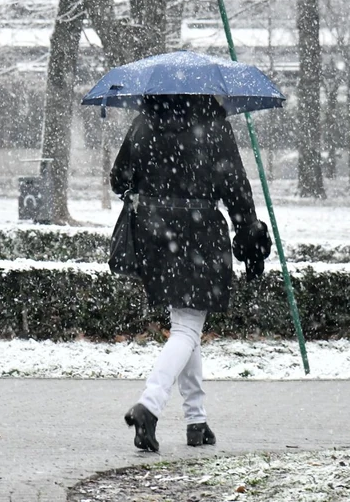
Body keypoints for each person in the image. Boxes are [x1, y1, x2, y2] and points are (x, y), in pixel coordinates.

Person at [109, 94, 271, 452]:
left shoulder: (144, 122)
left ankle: (196, 420)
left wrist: (150, 184)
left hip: (154, 234)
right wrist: (250, 238)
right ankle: (149, 406)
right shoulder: (213, 127)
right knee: (187, 327)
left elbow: (119, 178)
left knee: (185, 324)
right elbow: (236, 190)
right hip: (199, 234)